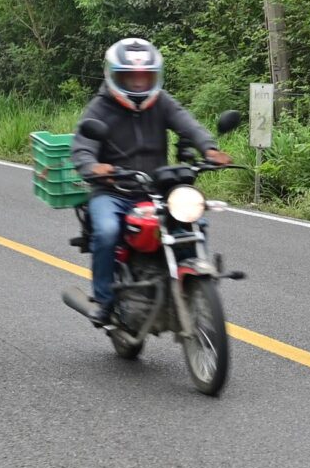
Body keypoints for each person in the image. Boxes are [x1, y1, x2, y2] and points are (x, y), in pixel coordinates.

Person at [69, 38, 231, 325]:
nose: (138, 83)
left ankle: (194, 286)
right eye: (130, 76)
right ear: (114, 75)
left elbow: (188, 124)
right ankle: (104, 301)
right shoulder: (100, 107)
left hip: (156, 190)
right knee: (106, 232)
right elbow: (82, 147)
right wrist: (94, 166)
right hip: (113, 191)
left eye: (145, 76)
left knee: (197, 221)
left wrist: (209, 149)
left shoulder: (162, 102)